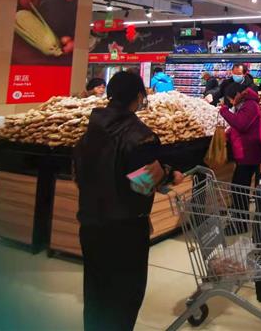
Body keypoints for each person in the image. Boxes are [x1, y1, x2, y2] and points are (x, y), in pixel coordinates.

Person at [74, 71, 183, 331]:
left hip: (90, 223)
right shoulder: (140, 136)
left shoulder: (90, 132)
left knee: (96, 293)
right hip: (125, 229)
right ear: (138, 97)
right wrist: (168, 174)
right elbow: (141, 183)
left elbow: (79, 175)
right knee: (124, 298)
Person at [219, 82, 261, 233]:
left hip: (249, 153)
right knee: (239, 188)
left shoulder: (250, 105)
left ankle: (239, 225)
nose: (231, 102)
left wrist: (224, 111)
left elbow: (242, 124)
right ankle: (239, 222)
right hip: (248, 152)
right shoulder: (247, 104)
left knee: (239, 189)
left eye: (230, 98)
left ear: (237, 94)